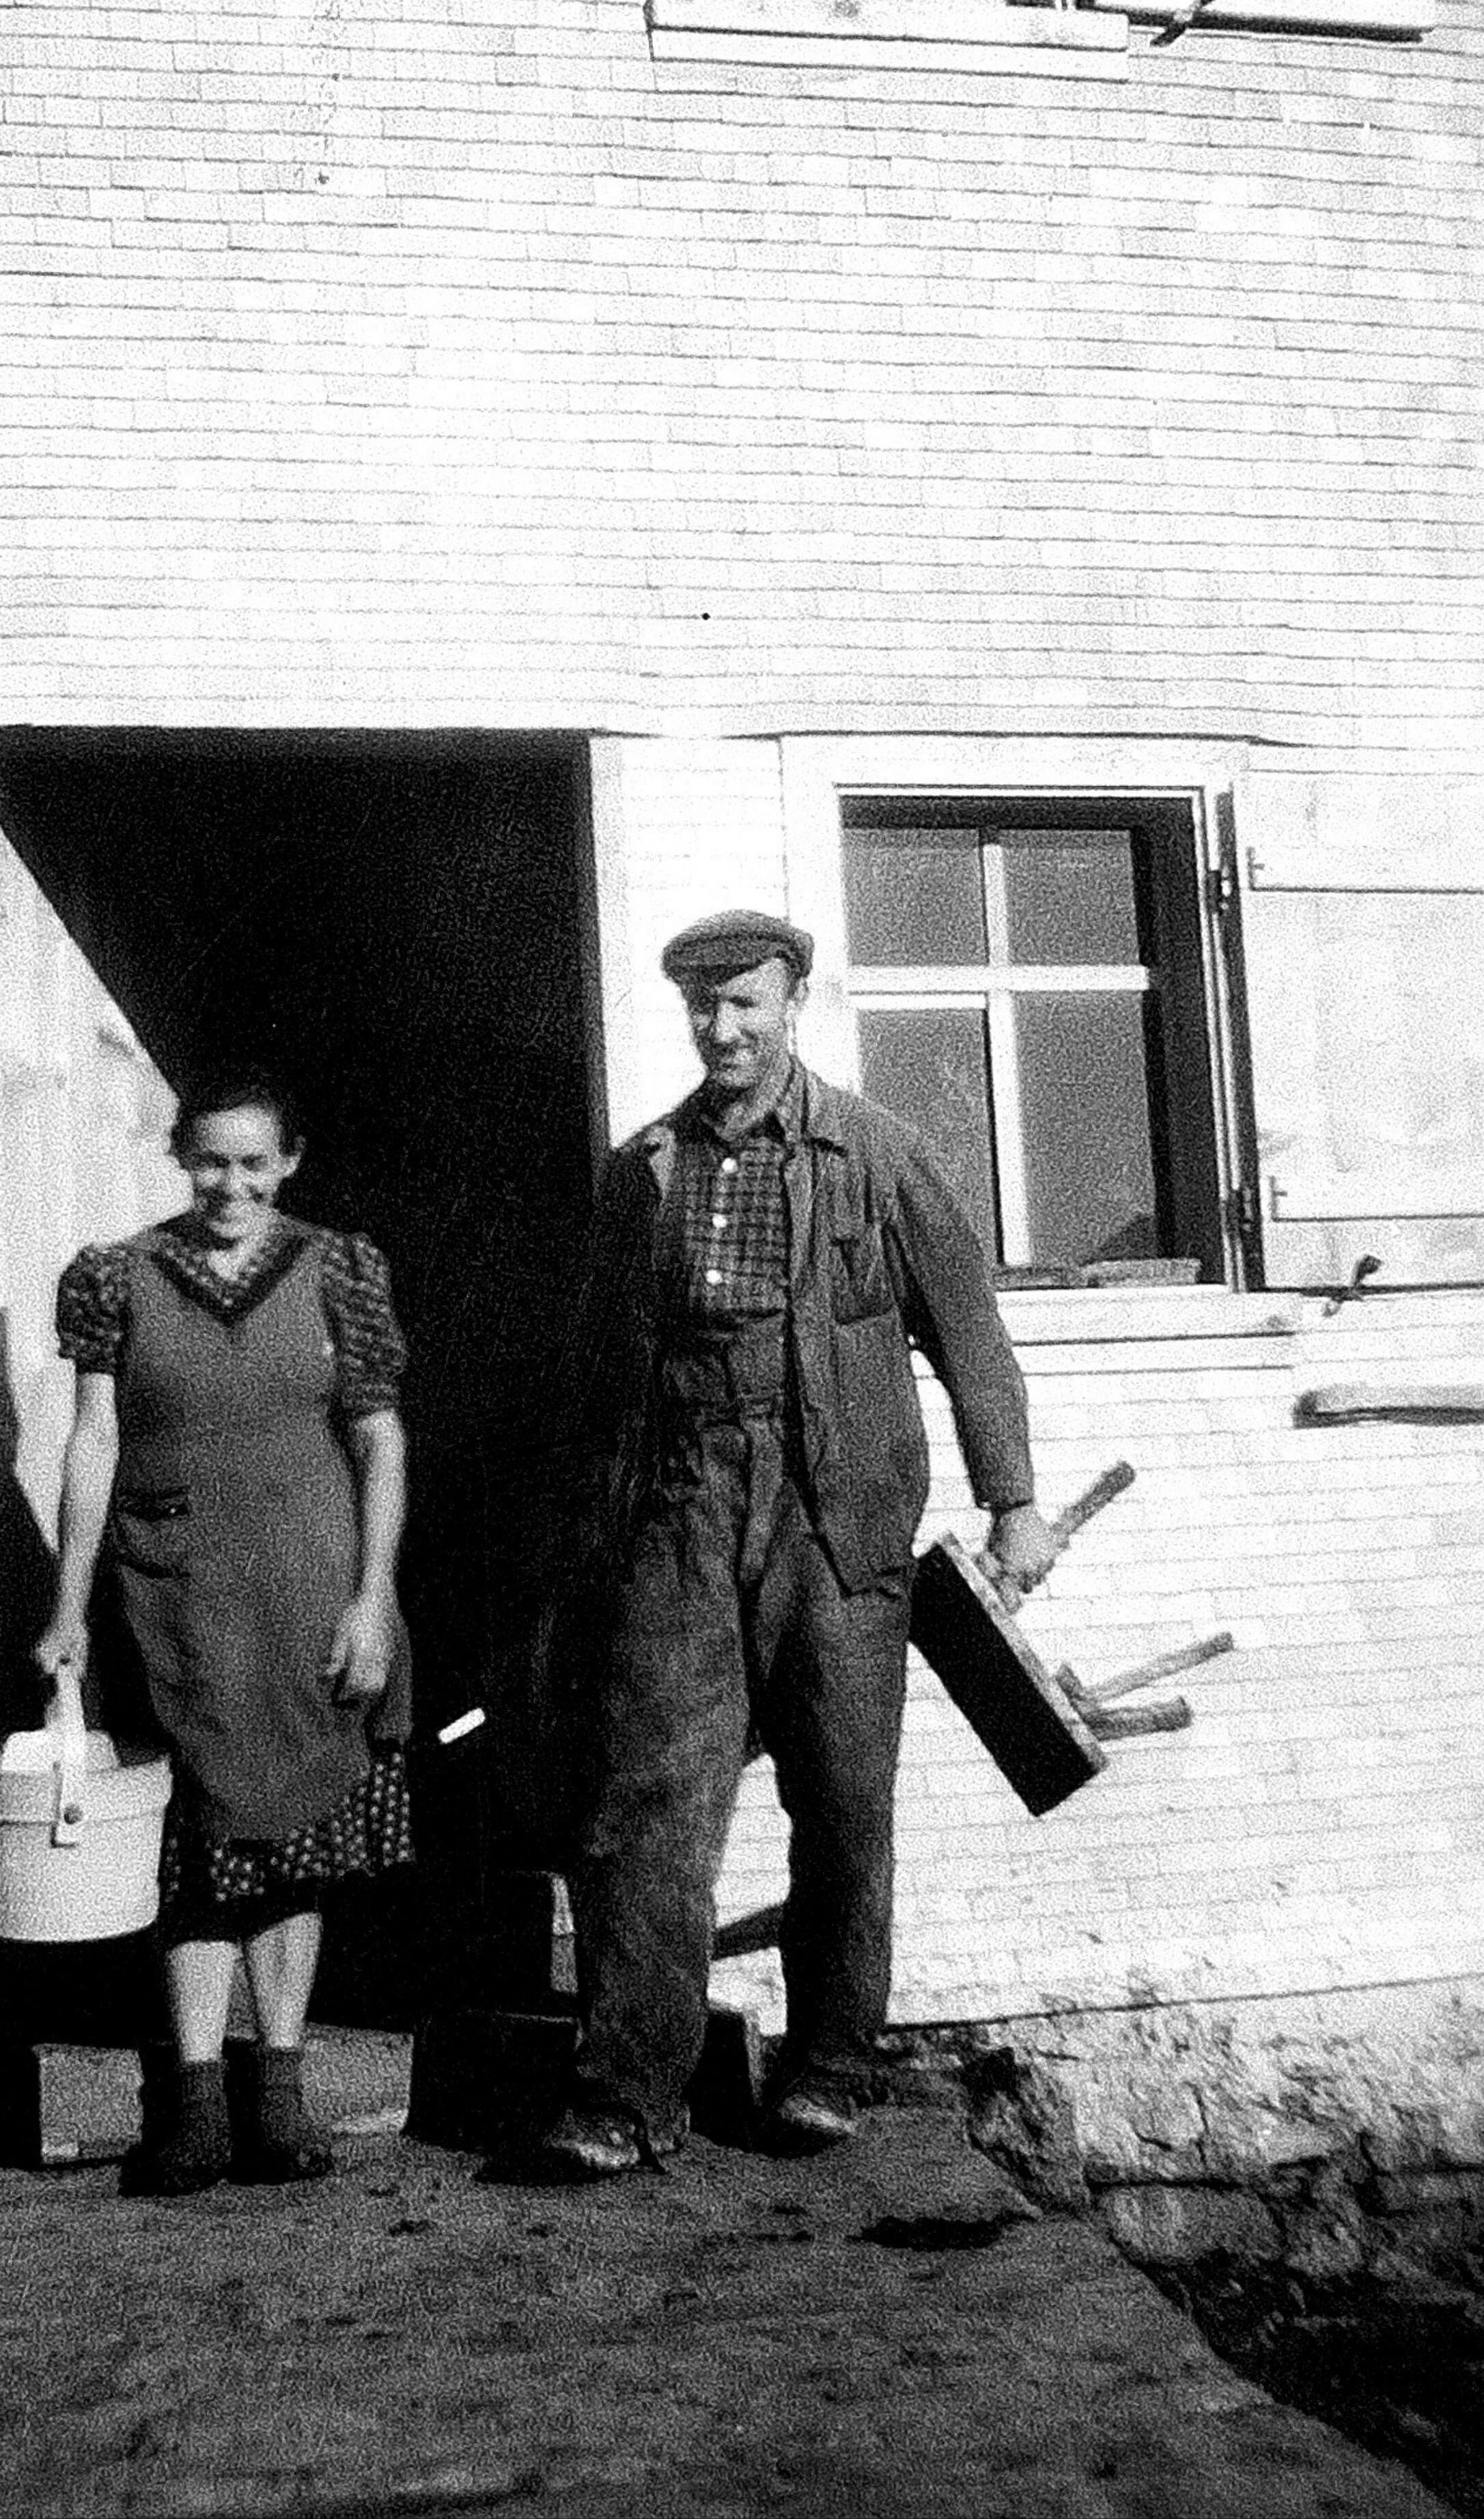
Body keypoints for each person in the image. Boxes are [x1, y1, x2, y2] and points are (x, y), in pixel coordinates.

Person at [532, 911, 1059, 2182]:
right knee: (646, 1797)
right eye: (703, 1008)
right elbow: (596, 1372)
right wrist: (590, 1537)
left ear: (794, 1004)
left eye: (746, 1006)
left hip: (837, 1511)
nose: (722, 1031)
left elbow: (970, 1338)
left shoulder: (878, 1155)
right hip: (680, 1506)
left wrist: (1015, 1501)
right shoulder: (645, 1169)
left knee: (841, 1794)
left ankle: (830, 2063)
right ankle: (628, 2093)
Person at [36, 1071, 412, 2196]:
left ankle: (281, 2100)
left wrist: (374, 1599)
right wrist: (67, 1608)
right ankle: (197, 2108)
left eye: (254, 1163)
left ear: (288, 1162)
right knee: (194, 1855)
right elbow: (93, 1442)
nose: (231, 1184)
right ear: (180, 1158)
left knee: (296, 1848)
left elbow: (381, 1441)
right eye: (211, 1161)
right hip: (177, 1602)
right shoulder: (117, 1276)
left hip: (311, 1596)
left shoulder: (341, 1268)